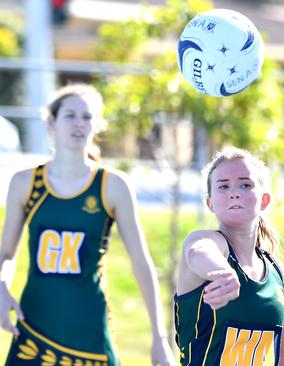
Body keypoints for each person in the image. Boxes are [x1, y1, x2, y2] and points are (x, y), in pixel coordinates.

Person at [0, 84, 174, 366]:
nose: (79, 123)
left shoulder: (112, 186)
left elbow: (141, 261)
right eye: (70, 115)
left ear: (97, 125)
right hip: (34, 330)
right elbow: (6, 254)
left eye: (87, 116)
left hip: (89, 334)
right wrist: (1, 285)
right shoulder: (25, 183)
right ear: (51, 122)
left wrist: (159, 338)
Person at [174, 147, 284, 366]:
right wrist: (223, 273)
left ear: (264, 200)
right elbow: (199, 252)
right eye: (223, 186)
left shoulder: (275, 269)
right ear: (210, 203)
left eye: (245, 184)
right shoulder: (205, 241)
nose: (234, 192)